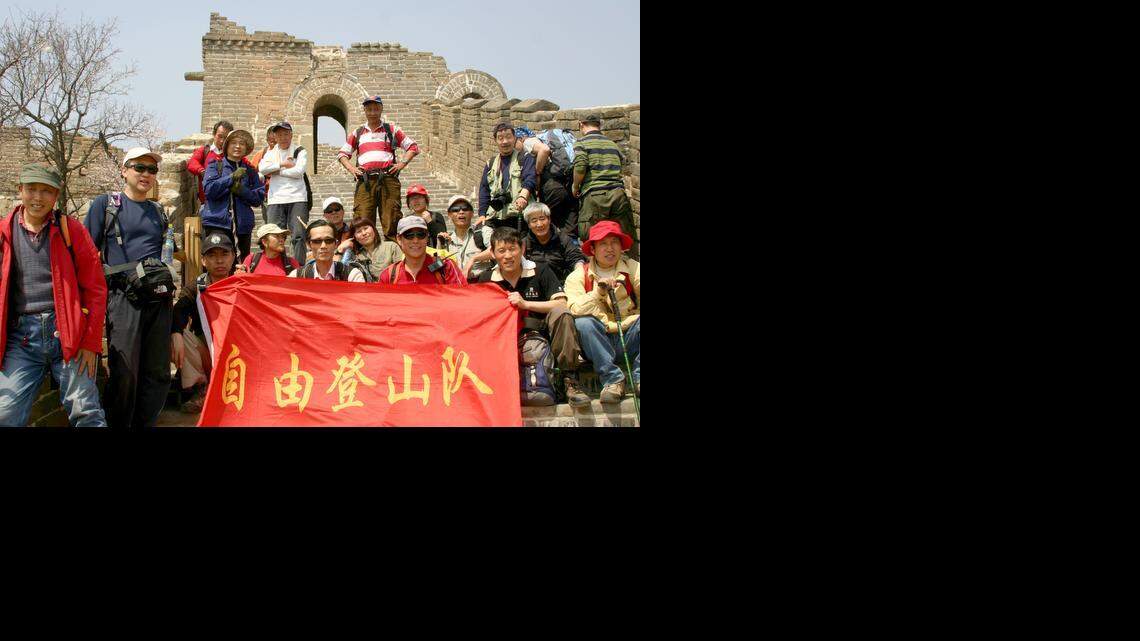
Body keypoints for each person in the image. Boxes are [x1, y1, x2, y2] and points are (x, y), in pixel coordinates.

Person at [0, 164, 108, 427]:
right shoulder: (4, 233)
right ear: (20, 191)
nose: (38, 198)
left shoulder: (70, 230)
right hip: (22, 338)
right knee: (5, 413)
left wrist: (91, 342)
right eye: (32, 190)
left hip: (69, 334)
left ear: (56, 196)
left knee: (86, 412)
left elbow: (95, 288)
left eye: (46, 192)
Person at [84, 147, 173, 428]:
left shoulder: (158, 210)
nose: (146, 174)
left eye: (152, 170)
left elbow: (167, 254)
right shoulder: (107, 205)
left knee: (158, 371)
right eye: (139, 167)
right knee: (125, 371)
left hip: (158, 298)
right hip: (123, 298)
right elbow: (87, 254)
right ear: (124, 170)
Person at [475, 226, 589, 408]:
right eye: (501, 251)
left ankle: (570, 380)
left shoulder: (541, 270)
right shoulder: (486, 278)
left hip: (541, 332)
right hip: (503, 338)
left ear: (522, 249)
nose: (508, 256)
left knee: (562, 314)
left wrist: (526, 304)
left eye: (512, 249)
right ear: (493, 253)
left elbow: (560, 303)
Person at [565, 221, 639, 402]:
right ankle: (613, 380)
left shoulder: (633, 267)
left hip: (629, 336)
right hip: (598, 341)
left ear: (622, 247)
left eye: (614, 242)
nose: (610, 248)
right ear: (593, 249)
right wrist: (599, 292)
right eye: (603, 244)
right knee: (583, 322)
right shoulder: (577, 276)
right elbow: (575, 309)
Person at [337, 95, 419, 239]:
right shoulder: (358, 132)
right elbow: (342, 154)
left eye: (376, 109)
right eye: (369, 109)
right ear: (365, 111)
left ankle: (394, 251)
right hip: (365, 180)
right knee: (362, 217)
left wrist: (402, 164)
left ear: (381, 109)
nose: (372, 112)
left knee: (391, 217)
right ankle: (364, 254)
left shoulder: (391, 130)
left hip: (388, 179)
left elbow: (412, 147)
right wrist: (352, 169)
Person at [170, 231, 235, 414]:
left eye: (224, 254)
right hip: (208, 351)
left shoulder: (242, 284)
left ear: (233, 256)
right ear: (204, 261)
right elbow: (179, 311)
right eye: (212, 256)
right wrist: (175, 333)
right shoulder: (196, 287)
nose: (219, 261)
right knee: (181, 335)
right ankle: (200, 389)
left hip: (236, 353)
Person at [572, 113, 639, 260]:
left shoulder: (581, 143)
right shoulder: (612, 143)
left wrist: (575, 186)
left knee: (592, 239)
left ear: (581, 125)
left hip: (594, 196)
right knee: (623, 239)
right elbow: (622, 164)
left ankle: (596, 277)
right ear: (599, 126)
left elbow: (580, 166)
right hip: (618, 194)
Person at [202, 129, 264, 262]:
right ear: (227, 146)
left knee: (242, 264)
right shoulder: (215, 166)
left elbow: (258, 198)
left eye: (242, 143)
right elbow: (209, 190)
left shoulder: (250, 171)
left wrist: (242, 191)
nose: (237, 146)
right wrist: (230, 178)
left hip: (243, 225)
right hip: (217, 223)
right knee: (218, 263)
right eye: (234, 143)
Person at [258, 122, 310, 264]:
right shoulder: (271, 152)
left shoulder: (300, 151)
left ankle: (299, 268)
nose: (283, 137)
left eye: (286, 134)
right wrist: (283, 164)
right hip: (276, 199)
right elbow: (262, 168)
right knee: (274, 237)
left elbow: (299, 171)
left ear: (291, 135)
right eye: (279, 134)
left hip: (297, 198)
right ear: (275, 136)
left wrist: (275, 171)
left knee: (298, 235)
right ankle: (278, 267)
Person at [514, 126, 578, 238]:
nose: (515, 147)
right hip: (570, 182)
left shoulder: (528, 141)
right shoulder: (558, 141)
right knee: (570, 225)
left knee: (545, 221)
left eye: (515, 142)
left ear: (521, 138)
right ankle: (572, 249)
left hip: (552, 185)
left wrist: (538, 171)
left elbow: (544, 150)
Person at [478, 122, 536, 232]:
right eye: (500, 138)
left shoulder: (524, 158)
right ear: (495, 141)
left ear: (515, 138)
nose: (505, 141)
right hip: (497, 216)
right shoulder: (490, 163)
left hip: (520, 215)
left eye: (508, 137)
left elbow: (530, 179)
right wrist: (482, 214)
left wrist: (523, 197)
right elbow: (484, 190)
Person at [378, 216, 465, 285]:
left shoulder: (446, 268)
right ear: (399, 239)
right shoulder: (388, 276)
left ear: (427, 238)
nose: (415, 240)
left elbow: (462, 300)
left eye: (421, 235)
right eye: (409, 235)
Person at [522, 202, 584, 283]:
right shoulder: (524, 244)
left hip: (561, 284)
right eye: (534, 220)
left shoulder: (563, 239)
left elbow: (575, 259)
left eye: (542, 219)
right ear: (529, 225)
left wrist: (579, 271)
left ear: (549, 219)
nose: (539, 224)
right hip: (534, 287)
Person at [437, 195, 494, 281]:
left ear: (472, 213)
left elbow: (497, 250)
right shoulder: (446, 240)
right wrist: (439, 247)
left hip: (480, 285)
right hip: (456, 287)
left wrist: (474, 258)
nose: (461, 212)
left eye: (465, 208)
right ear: (449, 214)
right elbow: (439, 268)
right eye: (455, 209)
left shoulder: (483, 232)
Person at [290, 220, 366, 282]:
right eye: (317, 241)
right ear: (309, 245)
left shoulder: (352, 275)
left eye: (329, 240)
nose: (323, 246)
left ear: (336, 244)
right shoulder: (297, 276)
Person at [186, 120, 233, 205]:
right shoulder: (205, 151)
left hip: (228, 205)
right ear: (214, 135)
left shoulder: (233, 155)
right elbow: (192, 163)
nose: (222, 141)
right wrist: (202, 171)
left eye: (226, 138)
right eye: (220, 136)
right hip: (207, 204)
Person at [345, 217, 401, 281]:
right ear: (354, 237)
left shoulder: (391, 247)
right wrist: (340, 250)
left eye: (366, 228)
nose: (364, 233)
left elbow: (402, 272)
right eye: (359, 231)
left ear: (373, 229)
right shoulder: (354, 255)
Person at [404, 184, 446, 248]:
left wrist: (430, 222)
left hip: (433, 255)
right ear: (409, 202)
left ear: (426, 200)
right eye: (412, 198)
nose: (416, 201)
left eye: (419, 197)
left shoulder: (436, 216)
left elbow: (443, 239)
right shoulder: (407, 220)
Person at [323, 197, 354, 264]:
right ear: (324, 215)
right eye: (329, 210)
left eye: (337, 209)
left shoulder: (353, 233)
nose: (334, 212)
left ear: (343, 211)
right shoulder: (321, 235)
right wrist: (339, 250)